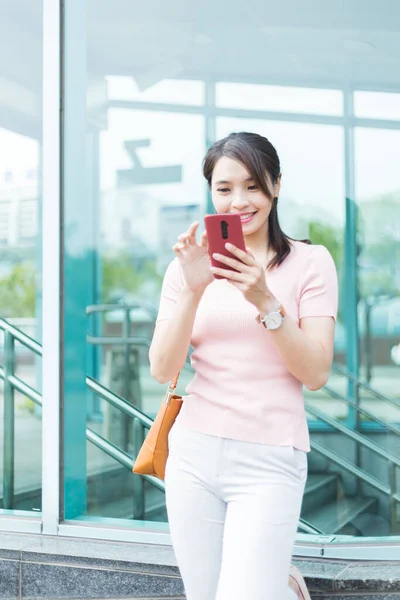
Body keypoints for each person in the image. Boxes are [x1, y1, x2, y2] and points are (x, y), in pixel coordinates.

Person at [149, 132, 338, 599]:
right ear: (211, 191)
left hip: (270, 457)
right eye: (224, 187)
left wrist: (263, 299)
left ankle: (279, 585)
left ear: (276, 185)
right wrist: (193, 290)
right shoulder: (188, 267)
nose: (239, 201)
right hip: (193, 452)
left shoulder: (311, 262)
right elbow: (161, 367)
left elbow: (315, 374)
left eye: (253, 185)